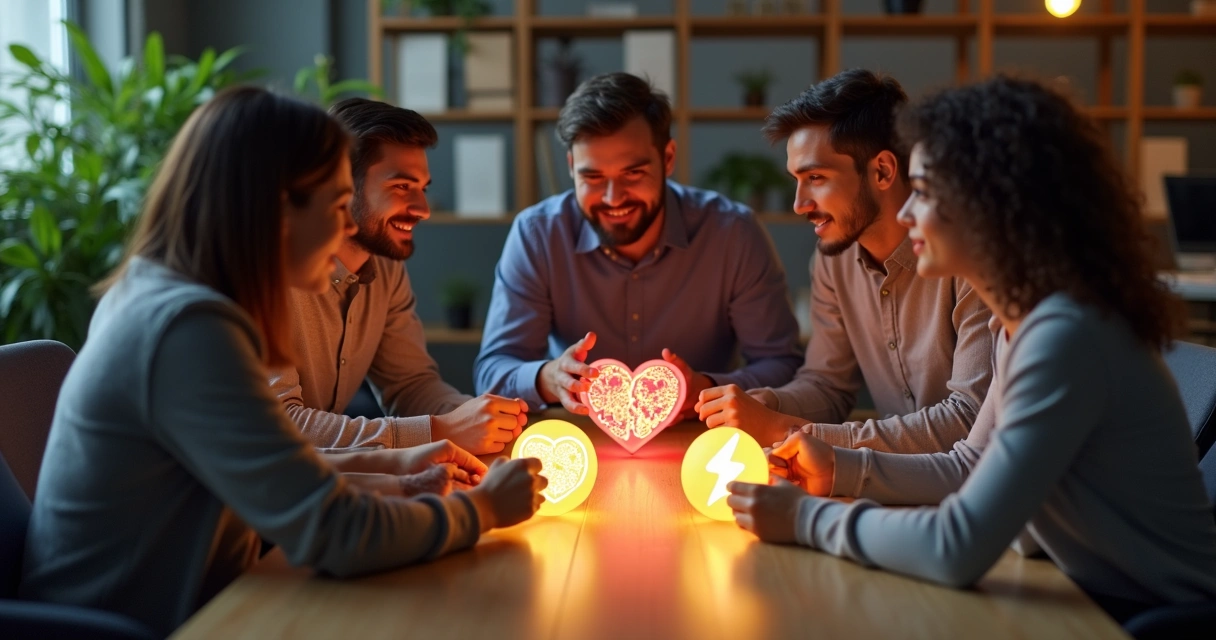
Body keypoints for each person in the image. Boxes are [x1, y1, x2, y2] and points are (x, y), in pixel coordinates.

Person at [20, 87, 546, 636]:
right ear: (276, 207)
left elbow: (273, 473)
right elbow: (332, 532)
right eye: (338, 206)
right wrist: (483, 510)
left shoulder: (171, 295)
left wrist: (401, 472)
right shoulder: (188, 330)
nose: (346, 231)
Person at [726, 75, 1216, 621]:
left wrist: (805, 520)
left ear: (992, 204)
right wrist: (837, 467)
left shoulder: (1066, 337)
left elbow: (956, 547)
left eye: (924, 192)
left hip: (1156, 618)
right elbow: (969, 465)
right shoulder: (1025, 327)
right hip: (1094, 596)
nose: (905, 213)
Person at [697, 69, 994, 451]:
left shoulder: (968, 253)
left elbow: (969, 419)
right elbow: (828, 386)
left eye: (816, 178)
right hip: (896, 480)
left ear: (882, 171)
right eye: (796, 180)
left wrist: (789, 431)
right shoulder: (833, 260)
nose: (799, 204)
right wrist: (768, 404)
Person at [474, 72, 802, 417]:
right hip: (579, 434)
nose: (613, 198)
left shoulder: (733, 233)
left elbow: (783, 366)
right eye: (593, 177)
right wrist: (548, 378)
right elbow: (492, 374)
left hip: (702, 436)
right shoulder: (537, 234)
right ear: (571, 166)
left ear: (668, 158)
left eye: (633, 173)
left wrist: (705, 389)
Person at [269, 98, 527, 456]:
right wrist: (440, 430)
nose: (423, 210)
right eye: (402, 187)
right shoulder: (266, 269)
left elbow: (409, 385)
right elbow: (276, 426)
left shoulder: (386, 267)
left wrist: (480, 418)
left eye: (423, 188)